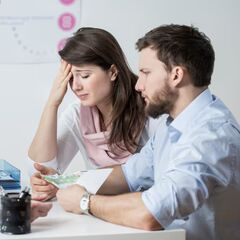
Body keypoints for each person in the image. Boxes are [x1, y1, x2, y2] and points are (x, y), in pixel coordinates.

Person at [56, 24, 240, 240]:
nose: (138, 85)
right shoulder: (173, 125)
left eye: (146, 73)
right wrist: (65, 183)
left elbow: (150, 214)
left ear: (176, 75)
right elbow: (127, 175)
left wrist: (85, 201)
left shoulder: (210, 136)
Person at [28, 27, 159, 201]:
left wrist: (69, 184)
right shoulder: (78, 114)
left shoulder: (150, 110)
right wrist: (53, 102)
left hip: (142, 216)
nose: (76, 87)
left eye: (84, 75)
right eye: (71, 78)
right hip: (97, 216)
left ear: (112, 72)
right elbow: (40, 168)